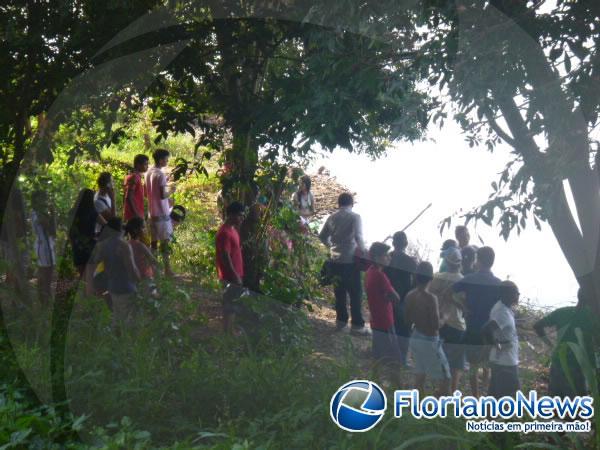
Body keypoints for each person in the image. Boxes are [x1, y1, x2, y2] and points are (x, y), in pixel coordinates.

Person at [453, 246, 501, 397]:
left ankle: (476, 396)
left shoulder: (469, 279)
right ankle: (486, 393)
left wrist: (463, 307)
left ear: (477, 260)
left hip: (473, 327)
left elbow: (449, 293)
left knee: (473, 365)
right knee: (488, 364)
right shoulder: (498, 283)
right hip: (491, 330)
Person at [318, 192, 368, 335]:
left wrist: (331, 246)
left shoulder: (331, 217)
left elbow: (322, 237)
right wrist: (364, 252)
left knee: (339, 292)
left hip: (335, 260)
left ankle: (341, 323)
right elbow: (358, 236)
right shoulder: (355, 217)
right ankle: (357, 326)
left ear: (338, 204)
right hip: (350, 260)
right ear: (351, 204)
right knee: (355, 293)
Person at [533, 288, 595, 397]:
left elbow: (537, 326)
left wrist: (550, 344)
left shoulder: (562, 312)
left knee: (556, 401)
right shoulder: (592, 317)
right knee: (576, 405)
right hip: (577, 367)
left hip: (558, 362)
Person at [404, 261, 450, 395]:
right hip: (430, 339)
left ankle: (417, 405)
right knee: (446, 376)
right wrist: (445, 317)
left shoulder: (410, 295)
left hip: (416, 335)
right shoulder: (431, 298)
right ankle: (442, 408)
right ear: (431, 278)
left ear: (416, 276)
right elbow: (436, 325)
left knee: (420, 372)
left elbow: (407, 320)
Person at [88, 217, 140, 330]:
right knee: (130, 322)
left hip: (112, 287)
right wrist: (140, 281)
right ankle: (126, 344)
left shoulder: (102, 246)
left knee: (117, 319)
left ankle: (115, 344)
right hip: (127, 288)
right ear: (120, 229)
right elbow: (132, 269)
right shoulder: (124, 245)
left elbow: (93, 262)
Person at [429, 248, 465, 392]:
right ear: (459, 263)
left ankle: (441, 389)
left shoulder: (437, 277)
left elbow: (429, 296)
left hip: (441, 322)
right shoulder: (463, 280)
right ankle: (452, 392)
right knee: (456, 363)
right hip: (457, 324)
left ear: (447, 262)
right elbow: (465, 304)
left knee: (442, 359)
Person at [482, 280, 521, 398]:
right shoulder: (501, 312)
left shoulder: (505, 308)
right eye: (516, 293)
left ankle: (489, 416)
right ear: (507, 294)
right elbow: (486, 330)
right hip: (505, 361)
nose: (518, 295)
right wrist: (498, 345)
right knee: (509, 396)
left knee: (494, 395)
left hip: (504, 359)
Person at [384, 231, 417, 365]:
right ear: (406, 244)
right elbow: (416, 281)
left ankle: (388, 357)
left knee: (389, 328)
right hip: (404, 299)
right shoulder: (410, 261)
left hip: (388, 298)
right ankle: (402, 359)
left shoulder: (387, 257)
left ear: (393, 243)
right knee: (404, 330)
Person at [366, 242, 401, 362]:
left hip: (375, 318)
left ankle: (376, 376)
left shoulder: (370, 271)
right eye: (385, 255)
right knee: (393, 356)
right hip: (385, 320)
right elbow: (396, 298)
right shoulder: (381, 276)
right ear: (376, 258)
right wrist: (389, 297)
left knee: (378, 354)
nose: (389, 257)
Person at [216, 201, 245, 333]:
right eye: (239, 215)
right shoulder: (224, 233)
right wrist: (234, 276)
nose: (241, 218)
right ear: (231, 215)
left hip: (236, 273)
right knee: (229, 303)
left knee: (233, 303)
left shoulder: (233, 230)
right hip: (230, 275)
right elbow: (225, 256)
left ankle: (230, 330)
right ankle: (227, 331)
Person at [145, 149, 175, 276]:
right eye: (166, 159)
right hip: (162, 212)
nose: (167, 161)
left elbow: (149, 192)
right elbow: (163, 195)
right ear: (161, 160)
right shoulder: (160, 175)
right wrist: (172, 190)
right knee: (165, 242)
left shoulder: (148, 172)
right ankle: (167, 269)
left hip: (152, 212)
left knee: (153, 242)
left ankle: (153, 269)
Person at [69, 188, 107, 277]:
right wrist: (99, 236)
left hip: (77, 247)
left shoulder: (72, 212)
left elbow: (70, 232)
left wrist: (73, 245)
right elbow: (106, 225)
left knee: (82, 275)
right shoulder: (92, 212)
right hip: (90, 246)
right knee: (91, 276)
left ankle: (85, 289)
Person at [30, 190, 56, 307]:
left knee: (49, 272)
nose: (45, 201)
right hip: (42, 246)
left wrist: (52, 214)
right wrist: (52, 213)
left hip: (48, 245)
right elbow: (47, 225)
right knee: (44, 272)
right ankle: (43, 299)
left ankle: (46, 298)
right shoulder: (36, 213)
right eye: (42, 198)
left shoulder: (43, 213)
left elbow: (53, 231)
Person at [125, 217, 159, 297]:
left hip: (132, 278)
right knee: (153, 296)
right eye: (143, 227)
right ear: (136, 230)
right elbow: (153, 260)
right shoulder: (140, 245)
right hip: (145, 276)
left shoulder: (126, 244)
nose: (146, 229)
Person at [123, 154, 149, 221]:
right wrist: (137, 214)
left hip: (136, 213)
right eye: (145, 164)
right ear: (138, 165)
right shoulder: (134, 177)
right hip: (134, 215)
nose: (147, 166)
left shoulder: (136, 177)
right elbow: (128, 196)